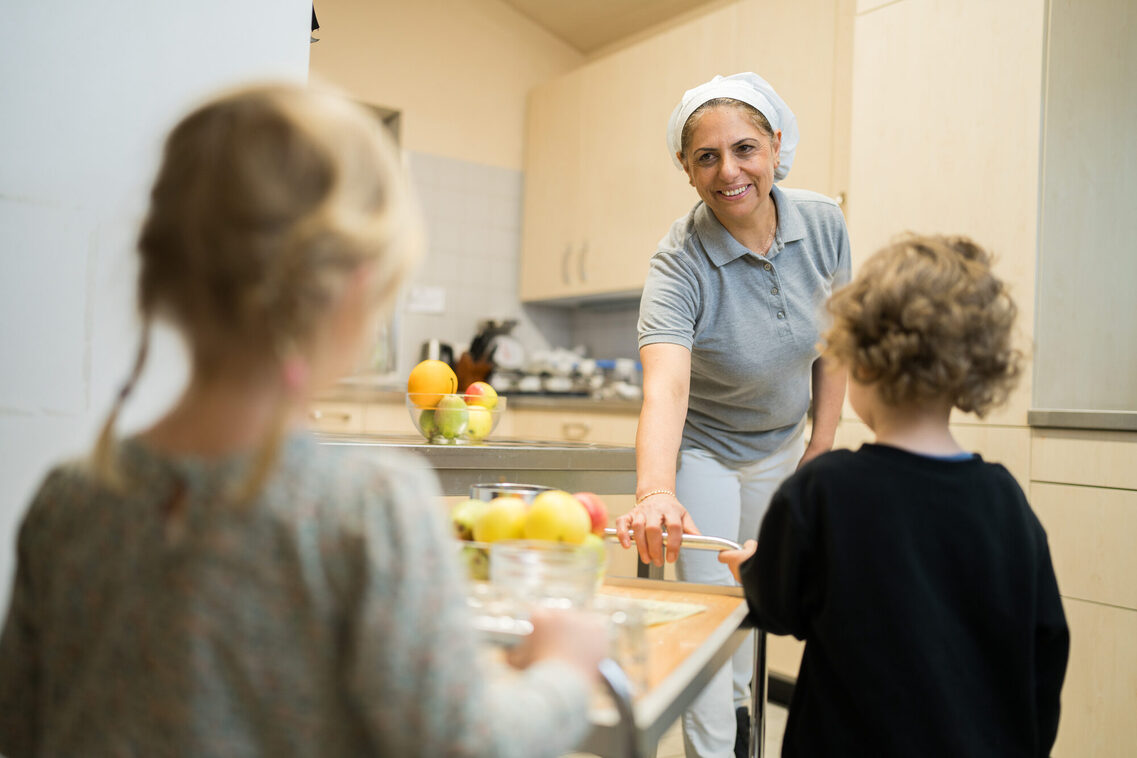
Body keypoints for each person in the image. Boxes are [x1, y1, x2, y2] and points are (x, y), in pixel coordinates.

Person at [0, 84, 607, 757]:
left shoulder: (65, 502)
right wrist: (564, 673)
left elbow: (20, 728)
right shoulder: (367, 509)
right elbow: (466, 745)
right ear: (354, 285)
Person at [719, 235, 1069, 756]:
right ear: (973, 365)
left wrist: (752, 569)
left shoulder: (825, 489)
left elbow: (780, 608)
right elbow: (1045, 651)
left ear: (860, 360)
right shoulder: (1006, 501)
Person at [614, 72, 851, 757]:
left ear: (776, 146)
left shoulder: (823, 222)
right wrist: (656, 490)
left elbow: (835, 340)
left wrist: (821, 445)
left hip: (784, 447)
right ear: (686, 172)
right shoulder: (677, 262)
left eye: (744, 148)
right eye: (706, 158)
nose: (729, 171)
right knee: (710, 616)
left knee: (760, 604)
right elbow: (666, 388)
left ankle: (741, 733)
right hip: (706, 451)